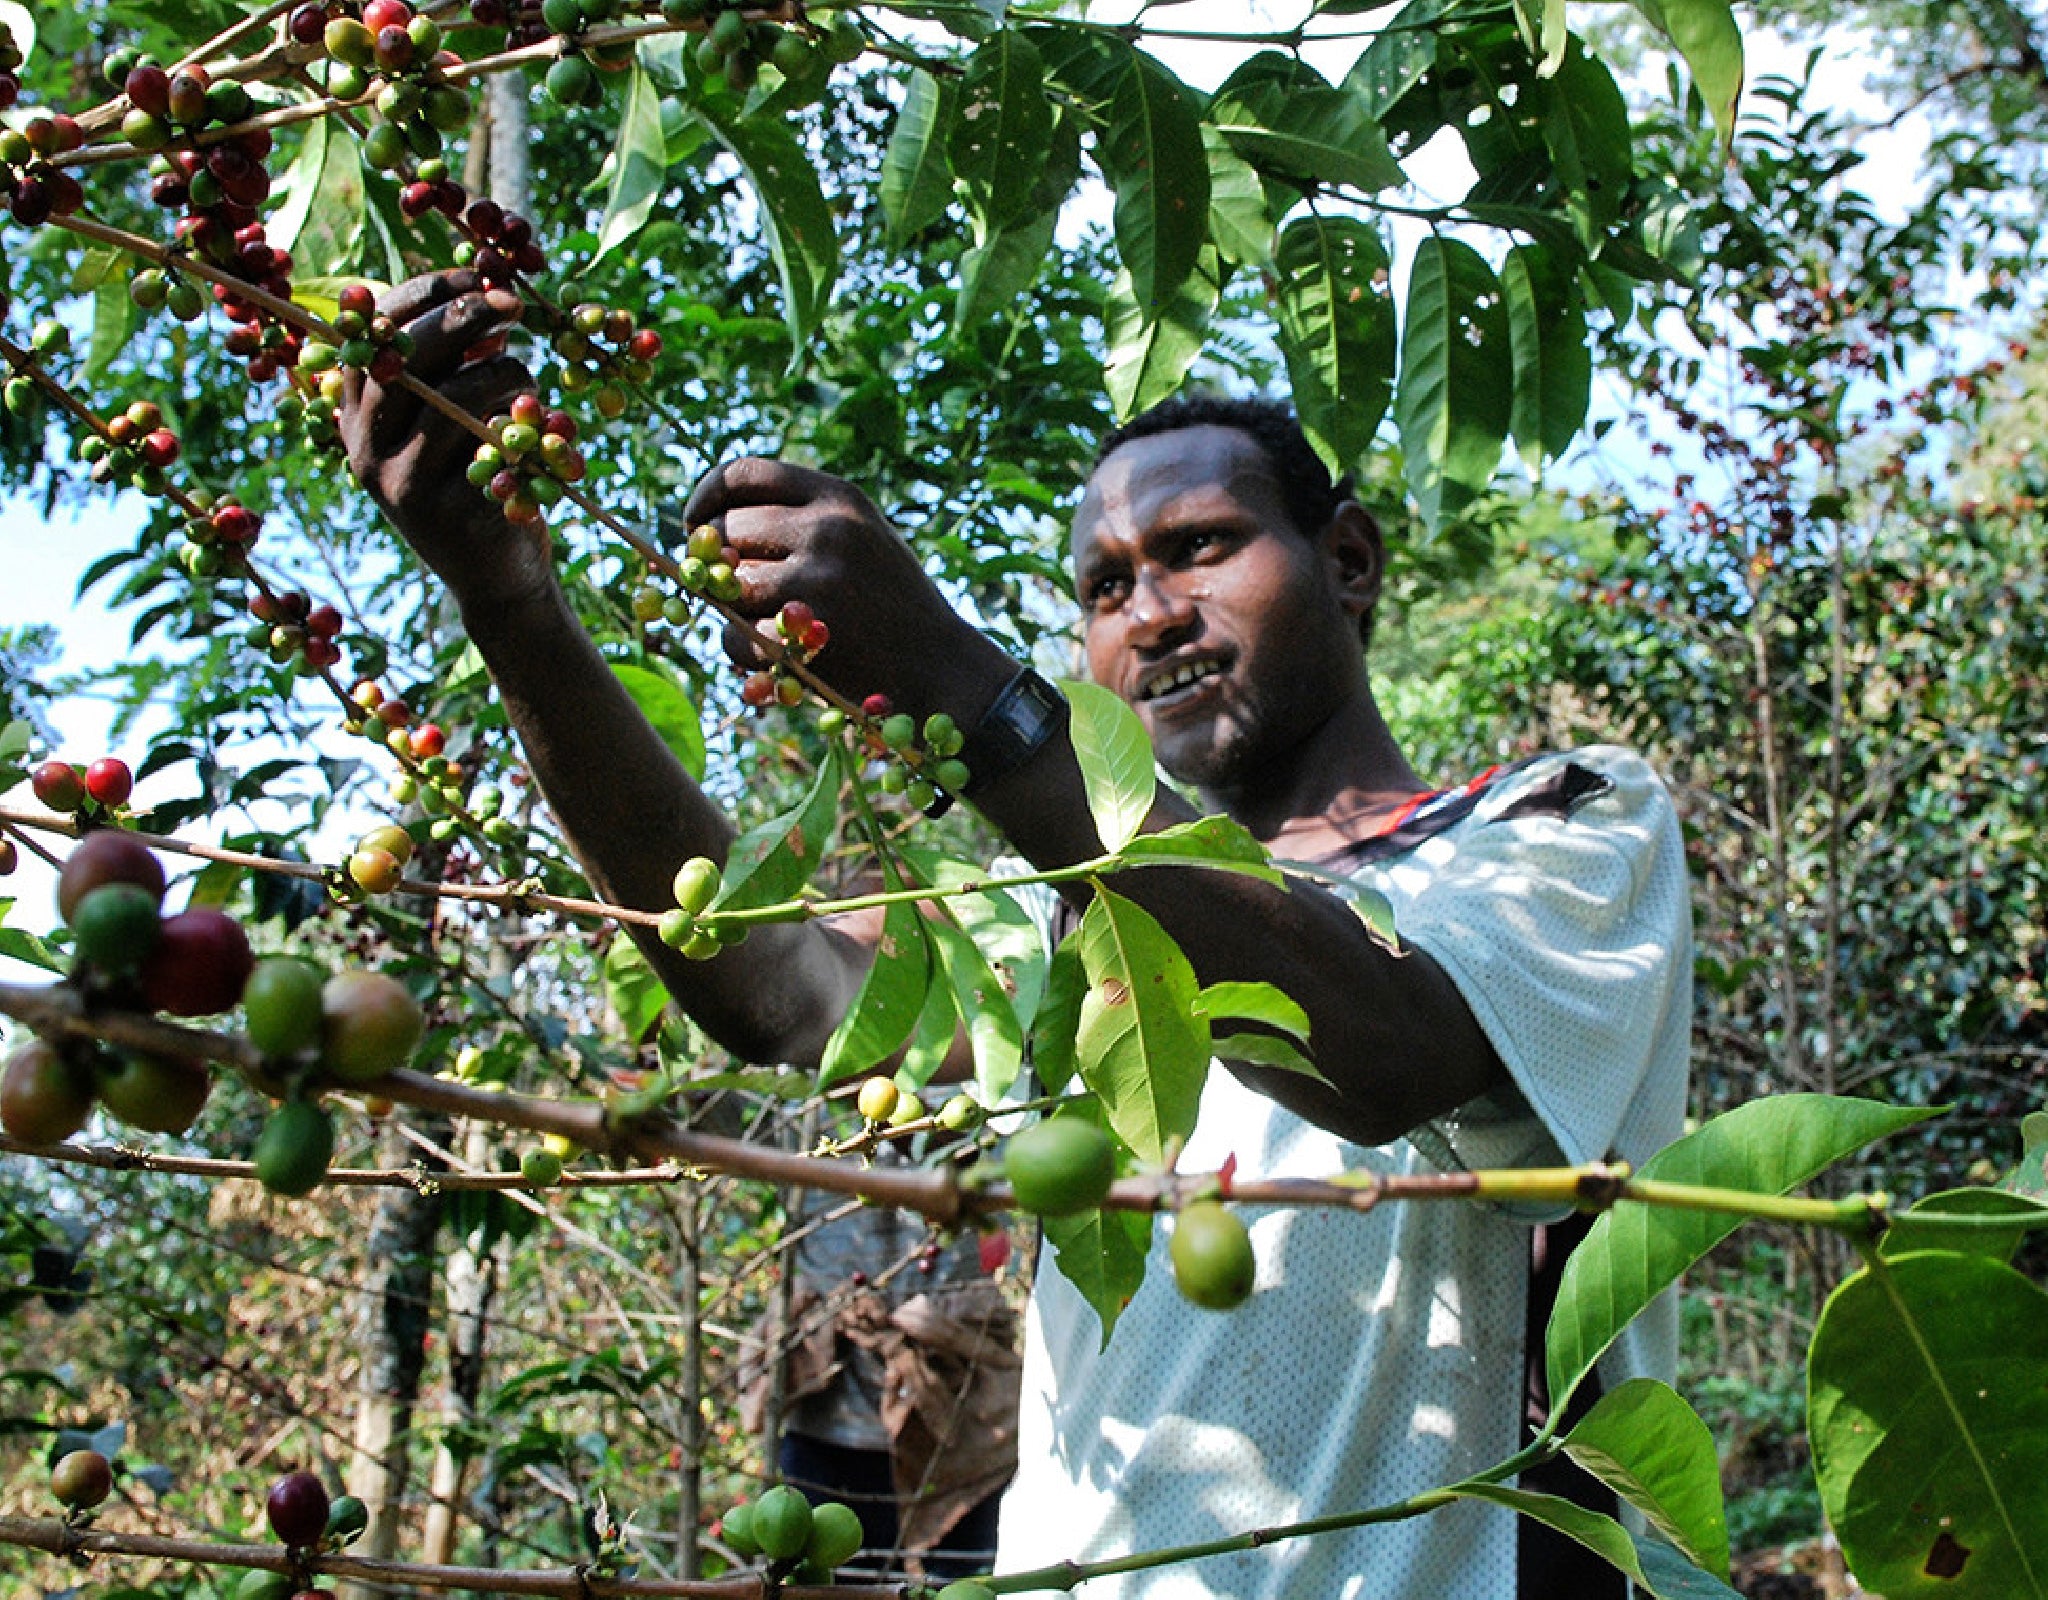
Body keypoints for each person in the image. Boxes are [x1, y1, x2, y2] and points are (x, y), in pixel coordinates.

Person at [340, 271, 1691, 1599]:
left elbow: (1384, 1051)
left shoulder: (1555, 821)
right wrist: (509, 606)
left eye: (1202, 548)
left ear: (1347, 561)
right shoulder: (1075, 925)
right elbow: (772, 980)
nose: (1151, 616)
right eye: (1104, 589)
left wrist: (961, 683)